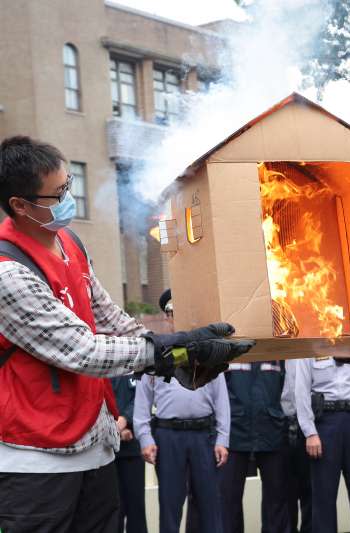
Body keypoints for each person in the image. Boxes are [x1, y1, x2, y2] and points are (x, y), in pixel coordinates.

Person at [0, 135, 252, 532]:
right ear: (19, 205)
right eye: (57, 194)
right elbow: (83, 351)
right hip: (37, 457)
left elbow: (108, 315)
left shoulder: (69, 242)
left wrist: (182, 351)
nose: (68, 198)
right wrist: (167, 352)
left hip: (95, 447)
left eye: (69, 186)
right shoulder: (8, 273)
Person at [134, 374, 231, 533]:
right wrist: (145, 437)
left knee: (210, 505)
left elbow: (221, 396)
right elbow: (142, 396)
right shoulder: (154, 353)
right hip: (168, 436)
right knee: (169, 506)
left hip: (204, 436)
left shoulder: (210, 350)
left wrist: (223, 438)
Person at [294, 355, 350, 533]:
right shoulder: (309, 345)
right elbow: (301, 391)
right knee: (323, 497)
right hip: (325, 423)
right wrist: (310, 432)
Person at [222, 360, 291, 533]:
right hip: (234, 432)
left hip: (272, 431)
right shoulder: (228, 346)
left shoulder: (276, 347)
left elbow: (288, 385)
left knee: (276, 499)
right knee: (228, 501)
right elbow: (217, 388)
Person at [112, 375, 149, 533]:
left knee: (136, 509)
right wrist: (115, 428)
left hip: (132, 449)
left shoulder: (135, 364)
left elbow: (142, 398)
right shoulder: (100, 360)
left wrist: (125, 419)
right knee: (113, 511)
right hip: (106, 453)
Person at [282, 359, 313, 533]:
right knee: (285, 491)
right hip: (281, 423)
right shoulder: (277, 352)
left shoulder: (310, 349)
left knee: (311, 489)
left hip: (310, 425)